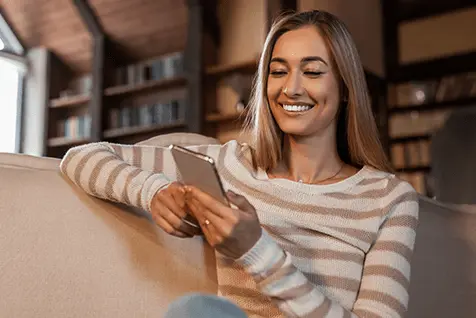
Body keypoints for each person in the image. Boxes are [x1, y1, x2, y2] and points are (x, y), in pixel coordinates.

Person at [60, 10, 419, 318]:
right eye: (278, 72)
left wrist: (256, 252)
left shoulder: (389, 199)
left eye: (312, 72)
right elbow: (81, 157)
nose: (291, 88)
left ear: (344, 88)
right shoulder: (230, 165)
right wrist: (153, 192)